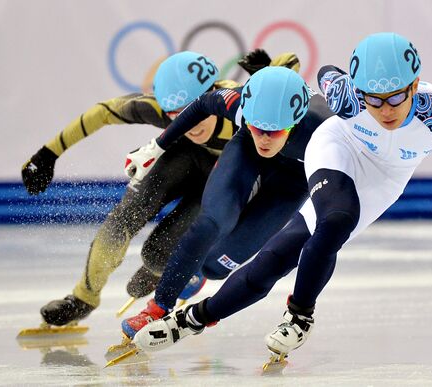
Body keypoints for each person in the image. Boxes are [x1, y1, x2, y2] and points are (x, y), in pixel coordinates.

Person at [130, 32, 432, 360]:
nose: (385, 110)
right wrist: (156, 146)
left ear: (415, 85)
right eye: (374, 100)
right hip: (338, 149)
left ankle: (195, 316)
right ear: (359, 91)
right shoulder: (346, 99)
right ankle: (295, 317)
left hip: (386, 177)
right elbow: (327, 74)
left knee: (285, 252)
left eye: (395, 97)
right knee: (334, 220)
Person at [21, 50, 301, 327]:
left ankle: (172, 269)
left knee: (157, 256)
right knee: (124, 218)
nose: (190, 123)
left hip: (224, 179)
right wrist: (48, 154)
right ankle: (83, 298)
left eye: (192, 110)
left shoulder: (235, 101)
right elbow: (103, 112)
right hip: (186, 160)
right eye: (174, 114)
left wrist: (268, 75)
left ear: (211, 92)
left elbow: (289, 65)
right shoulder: (161, 111)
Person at [120, 65, 335, 339]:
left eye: (276, 131)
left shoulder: (325, 125)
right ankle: (156, 308)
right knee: (211, 222)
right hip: (246, 152)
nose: (265, 139)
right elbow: (200, 105)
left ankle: (200, 273)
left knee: (217, 265)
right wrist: (157, 146)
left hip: (294, 178)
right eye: (258, 128)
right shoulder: (238, 102)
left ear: (295, 121)